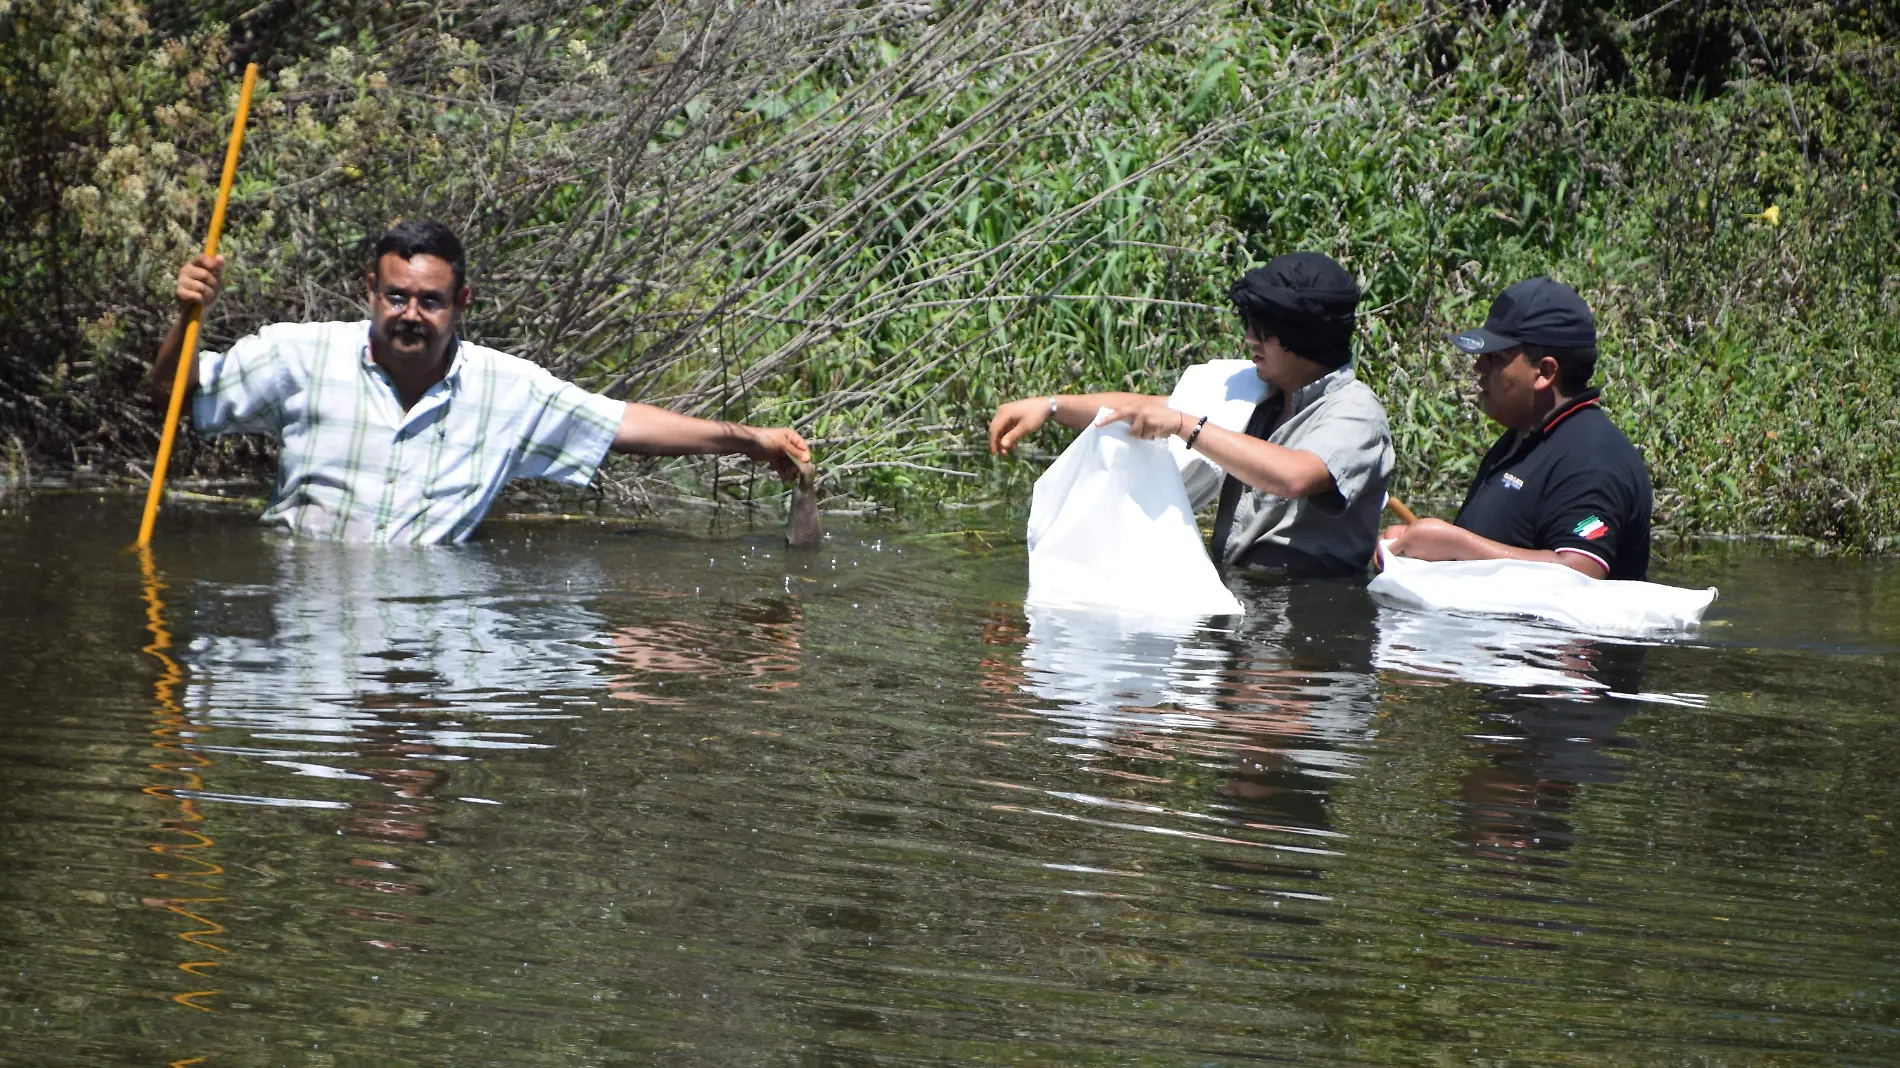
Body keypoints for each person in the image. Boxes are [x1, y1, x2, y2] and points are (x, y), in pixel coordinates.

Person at [153, 219, 809, 543]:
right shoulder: (298, 354)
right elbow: (177, 396)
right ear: (371, 293)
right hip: (299, 592)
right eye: (396, 297)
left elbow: (621, 425)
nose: (411, 314)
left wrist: (747, 440)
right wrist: (187, 320)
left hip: (432, 612)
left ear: (461, 300)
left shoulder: (506, 391)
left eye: (430, 301)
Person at [989, 252, 1393, 578]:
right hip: (1238, 590)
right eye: (1248, 324)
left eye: (1262, 329)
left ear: (1304, 337)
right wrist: (1051, 406)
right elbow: (1149, 408)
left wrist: (1188, 426)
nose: (1249, 338)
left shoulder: (1356, 413)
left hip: (1313, 610)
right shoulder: (1261, 390)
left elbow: (1296, 476)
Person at [1381, 277, 1651, 579]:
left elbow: (1580, 571)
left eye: (1496, 357)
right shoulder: (1523, 439)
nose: (1478, 368)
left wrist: (1453, 542)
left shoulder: (1592, 460)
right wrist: (1417, 544)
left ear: (1545, 372)